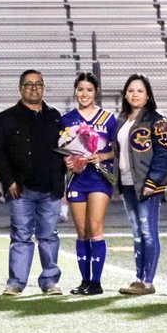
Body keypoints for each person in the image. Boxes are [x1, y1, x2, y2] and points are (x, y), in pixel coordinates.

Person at [0, 69, 66, 296]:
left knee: (49, 236)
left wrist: (62, 180)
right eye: (28, 84)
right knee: (21, 237)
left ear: (44, 88)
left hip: (50, 188)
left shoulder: (55, 117)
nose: (34, 88)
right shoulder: (5, 119)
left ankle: (50, 282)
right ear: (20, 88)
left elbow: (63, 151)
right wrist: (9, 181)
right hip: (20, 188)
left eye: (38, 84)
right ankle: (16, 283)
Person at [113, 73, 167, 296]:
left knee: (148, 231)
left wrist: (153, 181)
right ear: (125, 95)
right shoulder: (122, 119)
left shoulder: (158, 120)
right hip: (127, 183)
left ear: (148, 95)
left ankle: (148, 281)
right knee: (137, 233)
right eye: (131, 90)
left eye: (140, 90)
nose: (135, 94)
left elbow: (165, 153)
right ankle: (139, 278)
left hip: (147, 184)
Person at [59, 71, 116, 295]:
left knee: (95, 228)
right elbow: (62, 150)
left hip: (100, 178)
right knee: (81, 231)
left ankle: (96, 283)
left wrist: (101, 156)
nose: (84, 94)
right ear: (75, 91)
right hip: (77, 179)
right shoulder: (67, 119)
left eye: (89, 90)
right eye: (80, 89)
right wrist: (68, 161)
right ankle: (84, 281)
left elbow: (117, 151)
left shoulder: (108, 119)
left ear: (96, 92)